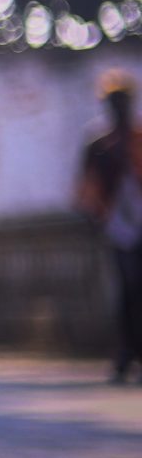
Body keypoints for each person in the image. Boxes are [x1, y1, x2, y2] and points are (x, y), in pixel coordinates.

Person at [78, 70, 142, 381]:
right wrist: (96, 217)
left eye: (123, 101)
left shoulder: (139, 138)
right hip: (118, 225)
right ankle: (126, 354)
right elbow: (88, 189)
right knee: (127, 289)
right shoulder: (99, 143)